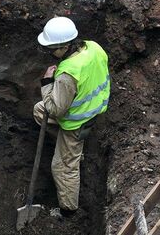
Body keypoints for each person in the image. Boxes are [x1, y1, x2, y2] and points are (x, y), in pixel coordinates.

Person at [34, 16, 110, 216]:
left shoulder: (68, 74)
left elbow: (56, 109)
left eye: (52, 49)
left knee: (61, 168)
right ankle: (70, 149)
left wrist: (48, 82)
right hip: (94, 107)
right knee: (38, 111)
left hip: (77, 123)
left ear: (63, 46)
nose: (50, 53)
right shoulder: (93, 47)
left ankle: (68, 210)